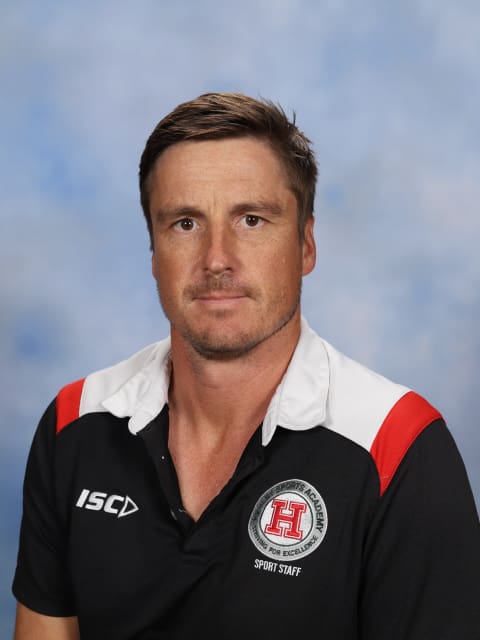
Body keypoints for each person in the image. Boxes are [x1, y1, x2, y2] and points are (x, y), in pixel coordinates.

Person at [12, 92, 480, 639]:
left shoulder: (397, 447)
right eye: (185, 223)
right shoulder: (75, 421)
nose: (217, 259)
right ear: (153, 252)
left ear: (305, 246)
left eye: (252, 220)